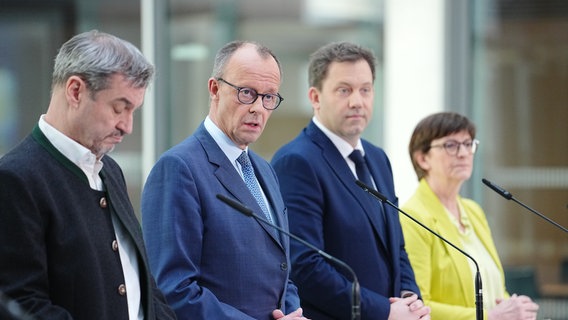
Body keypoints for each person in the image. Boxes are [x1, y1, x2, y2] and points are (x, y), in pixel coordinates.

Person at [0, 30, 176, 320]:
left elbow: (143, 287)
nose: (127, 126)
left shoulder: (111, 171)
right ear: (76, 91)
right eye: (119, 108)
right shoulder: (15, 179)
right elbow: (24, 304)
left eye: (134, 111)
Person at [141, 41, 307, 320]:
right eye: (246, 93)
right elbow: (173, 290)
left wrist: (293, 314)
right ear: (215, 89)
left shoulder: (264, 170)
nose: (258, 108)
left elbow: (280, 270)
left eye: (269, 97)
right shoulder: (178, 168)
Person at [271, 42, 430, 320]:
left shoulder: (378, 158)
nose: (357, 101)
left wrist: (409, 298)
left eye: (365, 89)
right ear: (315, 97)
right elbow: (305, 266)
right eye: (344, 90)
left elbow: (396, 248)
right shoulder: (297, 161)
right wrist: (385, 311)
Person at [400, 111, 540, 320]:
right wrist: (488, 317)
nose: (464, 153)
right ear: (422, 158)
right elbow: (418, 306)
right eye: (451, 145)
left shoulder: (473, 211)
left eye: (468, 144)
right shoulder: (412, 217)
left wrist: (515, 309)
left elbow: (495, 290)